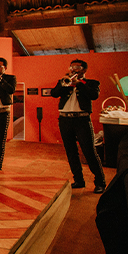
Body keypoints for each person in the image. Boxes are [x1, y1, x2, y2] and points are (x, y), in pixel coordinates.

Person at [50, 59, 106, 194]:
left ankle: (100, 182)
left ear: (84, 70)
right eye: (72, 67)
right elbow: (54, 93)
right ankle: (79, 180)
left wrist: (79, 84)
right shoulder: (64, 81)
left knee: (89, 152)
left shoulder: (91, 83)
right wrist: (63, 83)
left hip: (82, 120)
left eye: (77, 67)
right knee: (71, 152)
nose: (73, 69)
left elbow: (94, 95)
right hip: (65, 120)